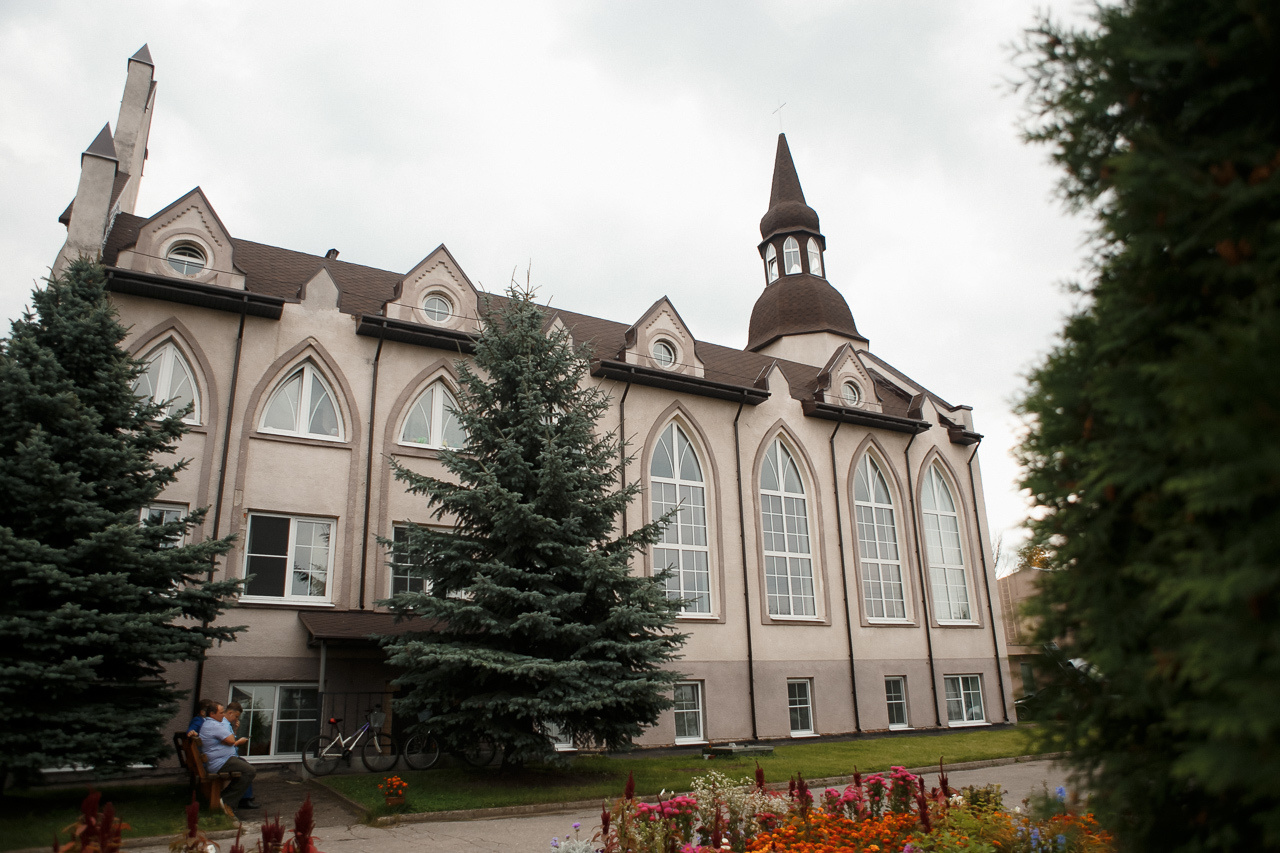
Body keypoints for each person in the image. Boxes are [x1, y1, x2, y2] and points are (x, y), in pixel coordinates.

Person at [200, 702, 257, 820]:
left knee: (246, 769)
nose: (223, 715)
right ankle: (226, 801)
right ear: (212, 714)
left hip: (220, 760)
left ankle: (225, 801)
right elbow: (231, 740)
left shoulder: (212, 723)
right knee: (250, 771)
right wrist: (233, 741)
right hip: (220, 762)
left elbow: (229, 740)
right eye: (221, 713)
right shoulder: (214, 725)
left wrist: (229, 740)